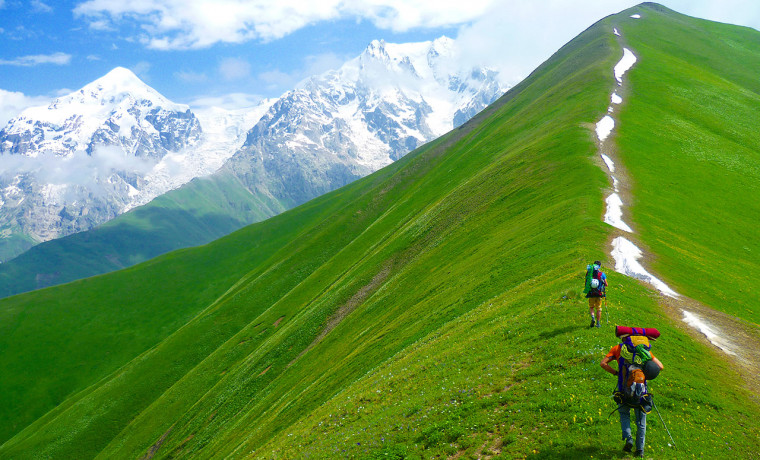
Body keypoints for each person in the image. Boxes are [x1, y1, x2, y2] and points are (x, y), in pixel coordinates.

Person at [600, 341, 664, 457]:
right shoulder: (644, 350)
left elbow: (603, 363)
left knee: (624, 415)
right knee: (641, 422)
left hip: (623, 390)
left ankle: (629, 438)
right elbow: (660, 366)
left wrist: (616, 373)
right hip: (641, 393)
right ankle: (640, 450)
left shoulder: (617, 348)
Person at [585, 260, 607, 328]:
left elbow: (586, 282)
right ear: (599, 266)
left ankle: (593, 317)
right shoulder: (602, 274)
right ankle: (598, 323)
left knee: (591, 307)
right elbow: (606, 284)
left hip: (591, 293)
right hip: (599, 294)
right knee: (598, 309)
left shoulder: (589, 273)